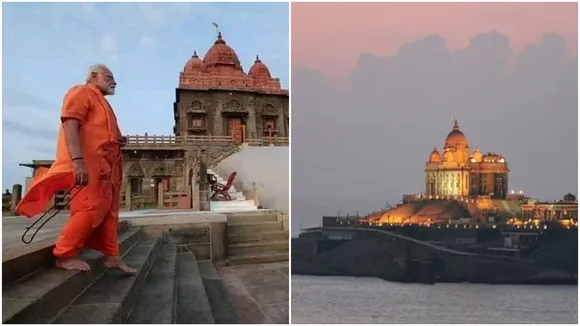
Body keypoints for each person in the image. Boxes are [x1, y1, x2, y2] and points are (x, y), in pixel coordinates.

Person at [15, 64, 136, 274]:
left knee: (109, 212)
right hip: (88, 165)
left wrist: (117, 139)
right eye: (108, 77)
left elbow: (100, 133)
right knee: (89, 209)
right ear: (93, 76)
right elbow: (70, 123)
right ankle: (63, 254)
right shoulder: (81, 92)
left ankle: (112, 255)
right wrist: (78, 160)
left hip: (106, 169)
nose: (114, 81)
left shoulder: (103, 103)